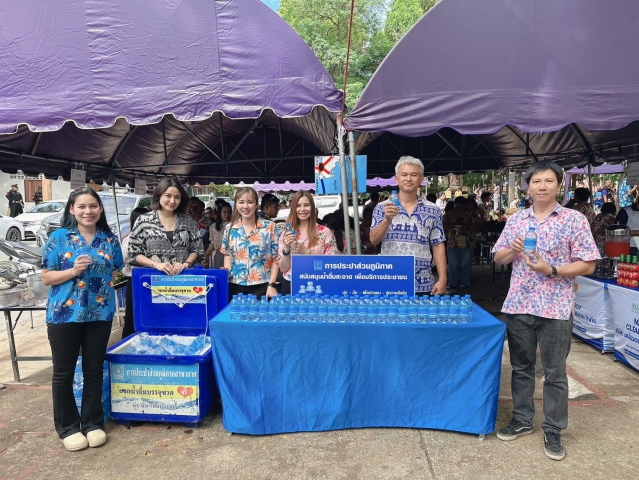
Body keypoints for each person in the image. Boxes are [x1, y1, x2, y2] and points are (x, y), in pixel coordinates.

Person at [492, 161, 599, 462]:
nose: (542, 186)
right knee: (521, 368)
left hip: (556, 306)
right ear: (528, 186)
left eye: (548, 181)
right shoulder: (517, 219)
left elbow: (588, 264)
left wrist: (552, 269)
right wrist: (513, 250)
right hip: (519, 304)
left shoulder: (574, 219)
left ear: (559, 185)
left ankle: (553, 428)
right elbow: (499, 257)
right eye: (536, 181)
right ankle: (522, 419)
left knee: (554, 372)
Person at [41, 187, 125, 452]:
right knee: (63, 372)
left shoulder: (109, 239)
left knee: (93, 369)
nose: (88, 211)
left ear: (100, 209)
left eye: (93, 206)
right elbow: (46, 277)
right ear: (72, 210)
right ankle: (67, 427)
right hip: (64, 314)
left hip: (100, 314)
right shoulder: (59, 237)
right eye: (82, 206)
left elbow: (117, 271)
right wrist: (73, 271)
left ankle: (92, 423)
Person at [370, 156, 447, 295]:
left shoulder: (433, 210)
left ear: (421, 179)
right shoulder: (382, 208)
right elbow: (374, 240)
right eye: (404, 174)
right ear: (396, 179)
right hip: (390, 283)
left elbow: (437, 245)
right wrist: (387, 220)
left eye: (414, 175)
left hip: (423, 285)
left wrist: (442, 279)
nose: (408, 179)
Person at [128, 177, 202, 275]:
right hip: (154, 279)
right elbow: (133, 253)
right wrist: (156, 264)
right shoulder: (143, 221)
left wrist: (186, 264)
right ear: (159, 195)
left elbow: (197, 248)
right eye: (168, 196)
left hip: (183, 279)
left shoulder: (188, 221)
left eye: (177, 197)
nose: (172, 201)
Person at [221, 187, 280, 300]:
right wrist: (226, 271)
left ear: (257, 204)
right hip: (235, 286)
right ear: (236, 204)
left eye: (250, 202)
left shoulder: (270, 227)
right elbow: (227, 254)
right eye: (241, 202)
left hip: (263, 285)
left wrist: (272, 284)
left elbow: (276, 258)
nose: (245, 206)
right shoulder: (229, 229)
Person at [277, 190, 337, 295]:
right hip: (291, 283)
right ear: (293, 208)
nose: (302, 209)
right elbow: (283, 268)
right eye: (298, 206)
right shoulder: (286, 234)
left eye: (306, 205)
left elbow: (330, 265)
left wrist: (305, 252)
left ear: (312, 207)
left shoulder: (325, 232)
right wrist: (286, 250)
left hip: (318, 283)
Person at [120, 207, 149, 339]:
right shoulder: (130, 238)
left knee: (147, 314)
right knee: (132, 315)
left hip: (151, 280)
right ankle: (127, 341)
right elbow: (126, 258)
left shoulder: (153, 237)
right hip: (135, 280)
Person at [203, 201, 232, 268]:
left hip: (230, 255)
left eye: (229, 212)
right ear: (220, 213)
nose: (227, 214)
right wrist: (205, 256)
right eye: (224, 212)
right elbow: (212, 245)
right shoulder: (213, 227)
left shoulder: (234, 226)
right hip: (217, 255)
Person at [188, 197, 210, 264]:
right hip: (188, 254)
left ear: (202, 208)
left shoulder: (209, 222)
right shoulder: (186, 221)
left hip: (204, 252)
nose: (194, 208)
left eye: (196, 206)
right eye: (192, 206)